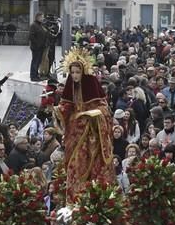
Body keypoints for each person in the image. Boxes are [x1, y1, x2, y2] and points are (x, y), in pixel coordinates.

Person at [59, 49, 115, 201]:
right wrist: (58, 111)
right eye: (73, 72)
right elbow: (66, 106)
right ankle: (75, 198)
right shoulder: (70, 86)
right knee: (75, 165)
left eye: (77, 72)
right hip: (74, 134)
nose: (75, 75)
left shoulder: (91, 84)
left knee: (92, 163)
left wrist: (93, 114)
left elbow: (104, 109)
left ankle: (94, 196)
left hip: (92, 133)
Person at [28, 12, 47, 82]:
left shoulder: (40, 25)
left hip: (41, 47)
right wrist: (37, 44)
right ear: (38, 17)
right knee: (35, 61)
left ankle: (36, 74)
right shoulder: (34, 25)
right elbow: (31, 36)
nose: (43, 18)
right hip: (36, 47)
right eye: (42, 17)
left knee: (38, 61)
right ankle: (33, 76)